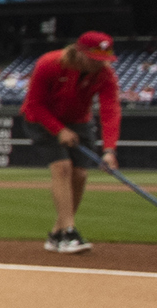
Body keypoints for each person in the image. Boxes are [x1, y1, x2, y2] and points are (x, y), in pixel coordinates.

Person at [22, 29, 120, 254]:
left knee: (80, 174)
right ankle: (69, 232)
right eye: (95, 59)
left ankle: (57, 233)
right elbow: (35, 104)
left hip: (78, 121)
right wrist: (59, 130)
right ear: (79, 53)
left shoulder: (105, 75)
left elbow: (110, 110)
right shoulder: (49, 64)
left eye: (104, 60)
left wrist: (110, 149)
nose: (100, 65)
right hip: (42, 119)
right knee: (62, 167)